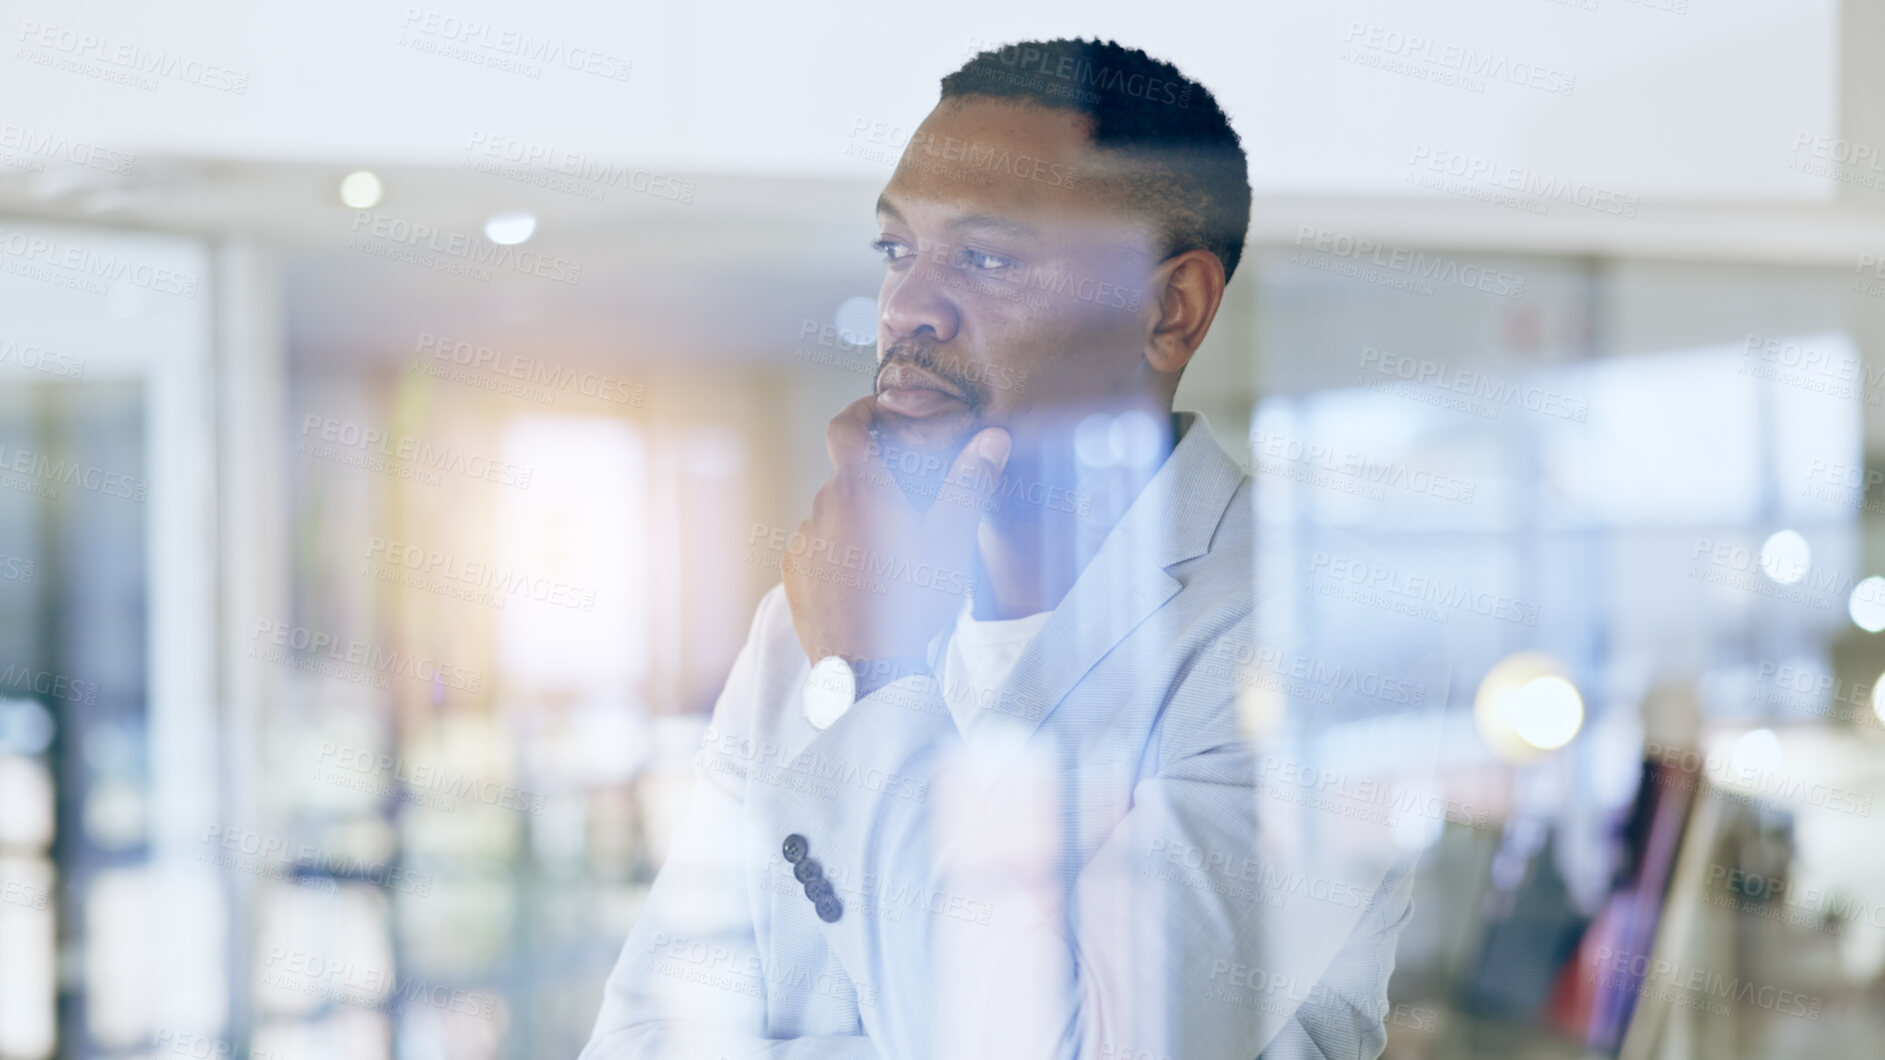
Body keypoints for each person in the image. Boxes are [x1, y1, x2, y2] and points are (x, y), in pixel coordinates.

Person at [584, 38, 1447, 1060]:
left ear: (1168, 311)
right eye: (898, 251)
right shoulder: (807, 614)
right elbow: (657, 1029)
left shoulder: (1315, 644)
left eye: (986, 258)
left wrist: (872, 682)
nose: (907, 308)